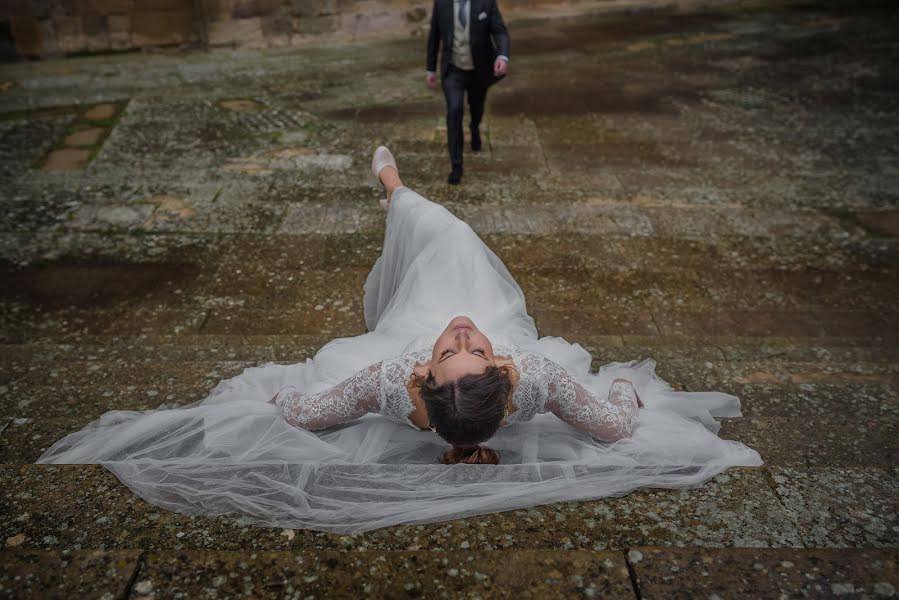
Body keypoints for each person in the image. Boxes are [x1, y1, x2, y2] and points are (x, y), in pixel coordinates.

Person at [38, 147, 762, 534]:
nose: (459, 331)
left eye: (452, 350)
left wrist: (266, 395)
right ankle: (398, 190)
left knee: (437, 233)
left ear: (424, 382)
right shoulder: (532, 372)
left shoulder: (389, 381)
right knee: (455, 235)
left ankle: (390, 184)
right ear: (502, 374)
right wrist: (627, 384)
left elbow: (301, 412)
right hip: (490, 321)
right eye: (468, 346)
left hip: (398, 324)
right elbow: (616, 424)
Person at [426, 0, 510, 184]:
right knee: (454, 110)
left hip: (479, 69)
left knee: (477, 107)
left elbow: (499, 31)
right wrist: (430, 68)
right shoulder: (442, 4)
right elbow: (435, 35)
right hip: (453, 69)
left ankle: (475, 128)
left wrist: (502, 56)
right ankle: (456, 166)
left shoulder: (486, 3)